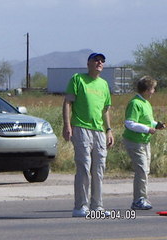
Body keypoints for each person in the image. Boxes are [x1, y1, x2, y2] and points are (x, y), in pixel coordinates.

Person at [62, 53, 114, 217]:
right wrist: (67, 124)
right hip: (81, 128)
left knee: (99, 169)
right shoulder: (78, 79)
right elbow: (68, 102)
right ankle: (80, 207)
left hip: (99, 131)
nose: (100, 63)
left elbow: (105, 110)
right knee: (84, 167)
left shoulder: (104, 84)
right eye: (96, 60)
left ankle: (97, 206)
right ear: (89, 63)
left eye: (102, 61)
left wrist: (109, 130)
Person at [123, 76, 165, 210]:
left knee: (145, 170)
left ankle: (142, 198)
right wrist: (147, 129)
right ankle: (138, 200)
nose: (154, 91)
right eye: (153, 89)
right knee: (141, 170)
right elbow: (129, 123)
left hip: (144, 141)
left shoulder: (146, 103)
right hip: (134, 141)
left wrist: (156, 125)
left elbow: (147, 120)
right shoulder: (135, 103)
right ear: (147, 90)